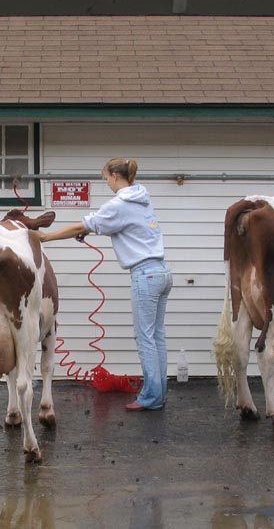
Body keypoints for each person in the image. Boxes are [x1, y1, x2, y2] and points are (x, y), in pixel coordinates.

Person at [39, 157, 172, 411]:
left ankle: (151, 398)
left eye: (106, 179)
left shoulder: (120, 203)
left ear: (114, 176)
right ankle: (159, 393)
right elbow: (120, 224)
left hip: (145, 274)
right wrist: (91, 230)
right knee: (157, 336)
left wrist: (45, 237)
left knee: (144, 337)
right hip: (163, 271)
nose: (106, 183)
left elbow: (83, 224)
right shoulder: (142, 197)